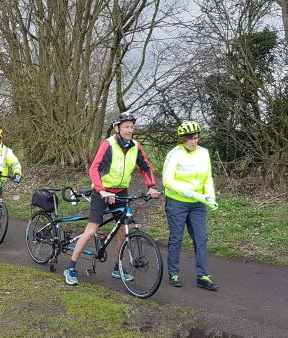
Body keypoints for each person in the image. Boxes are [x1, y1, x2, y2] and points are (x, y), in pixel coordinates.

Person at [63, 112, 160, 286]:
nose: (130, 130)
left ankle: (118, 268)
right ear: (117, 128)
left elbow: (145, 167)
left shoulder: (136, 146)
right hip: (102, 192)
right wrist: (101, 191)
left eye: (131, 127)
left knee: (124, 229)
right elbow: (94, 169)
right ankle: (71, 267)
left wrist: (151, 186)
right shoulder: (108, 144)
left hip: (121, 192)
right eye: (126, 127)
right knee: (92, 229)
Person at [162, 120, 219, 291]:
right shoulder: (175, 154)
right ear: (182, 139)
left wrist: (210, 197)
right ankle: (174, 273)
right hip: (177, 202)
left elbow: (207, 178)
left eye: (196, 138)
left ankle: (202, 276)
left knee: (201, 239)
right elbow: (167, 180)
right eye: (190, 139)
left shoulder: (203, 153)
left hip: (198, 204)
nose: (194, 141)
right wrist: (188, 192)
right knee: (176, 238)